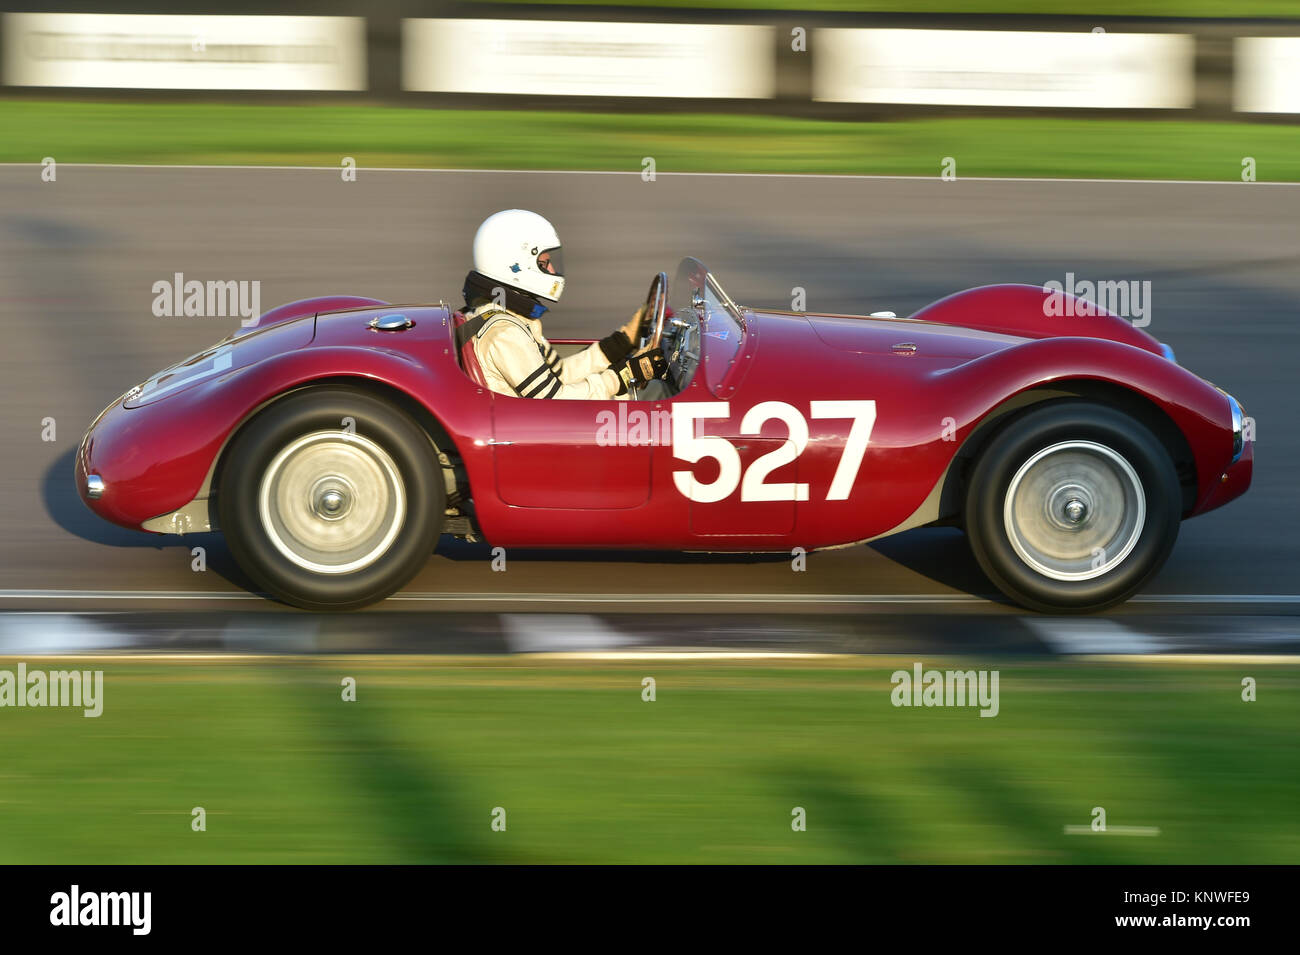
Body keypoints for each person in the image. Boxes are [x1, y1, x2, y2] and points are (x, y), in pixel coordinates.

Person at [456, 209, 669, 400]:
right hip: (536, 429)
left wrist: (623, 340)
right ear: (516, 266)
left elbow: (562, 375)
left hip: (539, 419)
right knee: (659, 394)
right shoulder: (504, 333)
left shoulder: (507, 317)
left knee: (651, 389)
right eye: (543, 263)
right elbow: (556, 400)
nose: (551, 271)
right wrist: (624, 376)